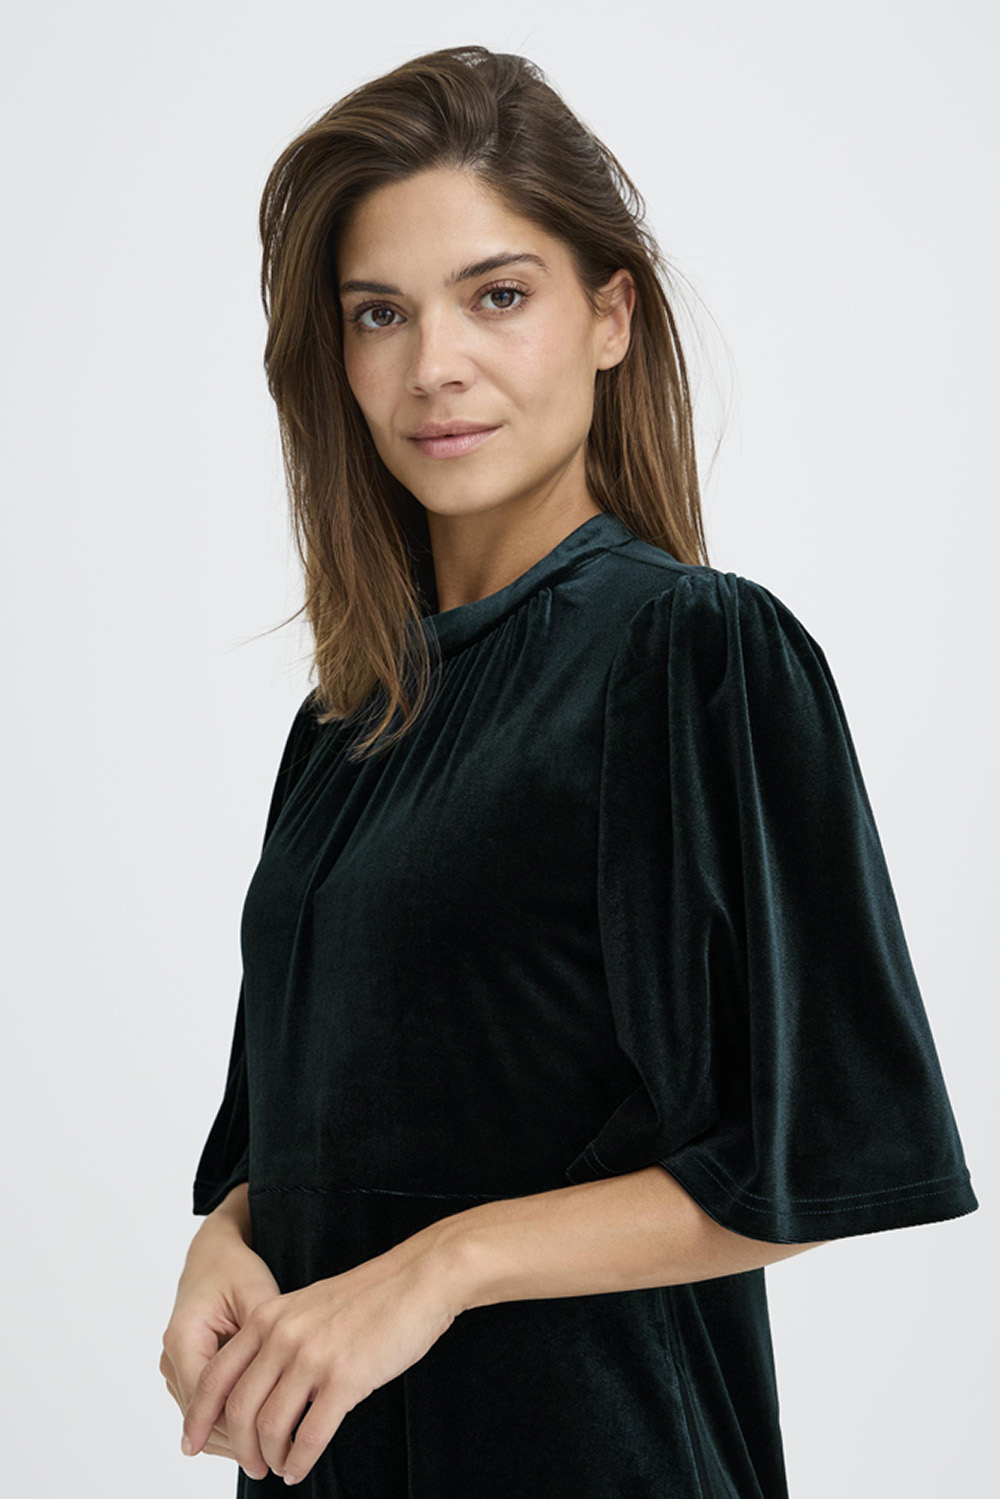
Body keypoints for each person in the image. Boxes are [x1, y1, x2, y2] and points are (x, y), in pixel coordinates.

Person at [159, 44, 979, 1497]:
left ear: (610, 315)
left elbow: (816, 1154)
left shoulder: (693, 654)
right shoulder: (346, 726)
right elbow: (307, 1128)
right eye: (379, 313)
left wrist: (444, 1268)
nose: (435, 366)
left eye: (497, 295)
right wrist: (226, 1235)